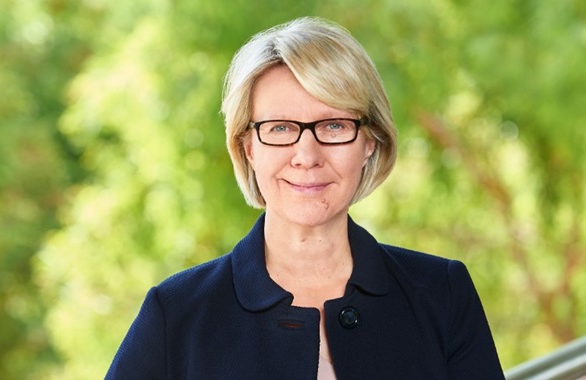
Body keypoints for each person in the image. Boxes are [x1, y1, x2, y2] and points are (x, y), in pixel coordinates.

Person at [105, 17, 504, 379]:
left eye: (333, 125)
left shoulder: (442, 294)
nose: (307, 156)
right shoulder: (176, 314)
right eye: (280, 128)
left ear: (369, 141)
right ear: (247, 147)